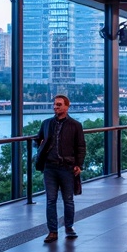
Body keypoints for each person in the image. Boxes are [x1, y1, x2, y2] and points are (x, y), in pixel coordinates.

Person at [34, 94, 86, 243]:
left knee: (68, 200)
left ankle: (69, 227)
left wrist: (79, 165)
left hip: (67, 167)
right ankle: (52, 231)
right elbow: (38, 140)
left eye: (59, 105)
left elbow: (81, 146)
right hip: (49, 167)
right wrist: (40, 145)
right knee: (50, 200)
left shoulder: (75, 125)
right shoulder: (46, 123)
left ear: (66, 107)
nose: (55, 107)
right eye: (55, 104)